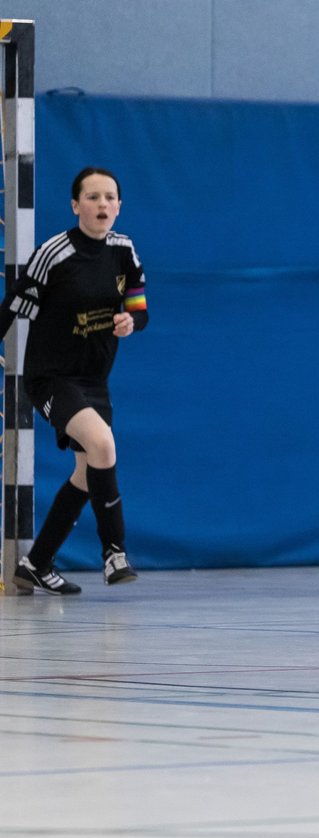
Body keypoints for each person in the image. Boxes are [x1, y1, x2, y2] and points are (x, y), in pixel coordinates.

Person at [1, 166, 149, 594]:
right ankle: (114, 552)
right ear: (75, 205)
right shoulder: (55, 253)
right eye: (93, 197)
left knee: (88, 470)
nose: (102, 204)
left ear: (119, 205)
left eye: (110, 197)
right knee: (103, 445)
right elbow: (12, 305)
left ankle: (37, 562)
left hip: (94, 380)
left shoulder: (124, 251)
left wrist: (130, 322)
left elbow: (140, 309)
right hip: (51, 378)